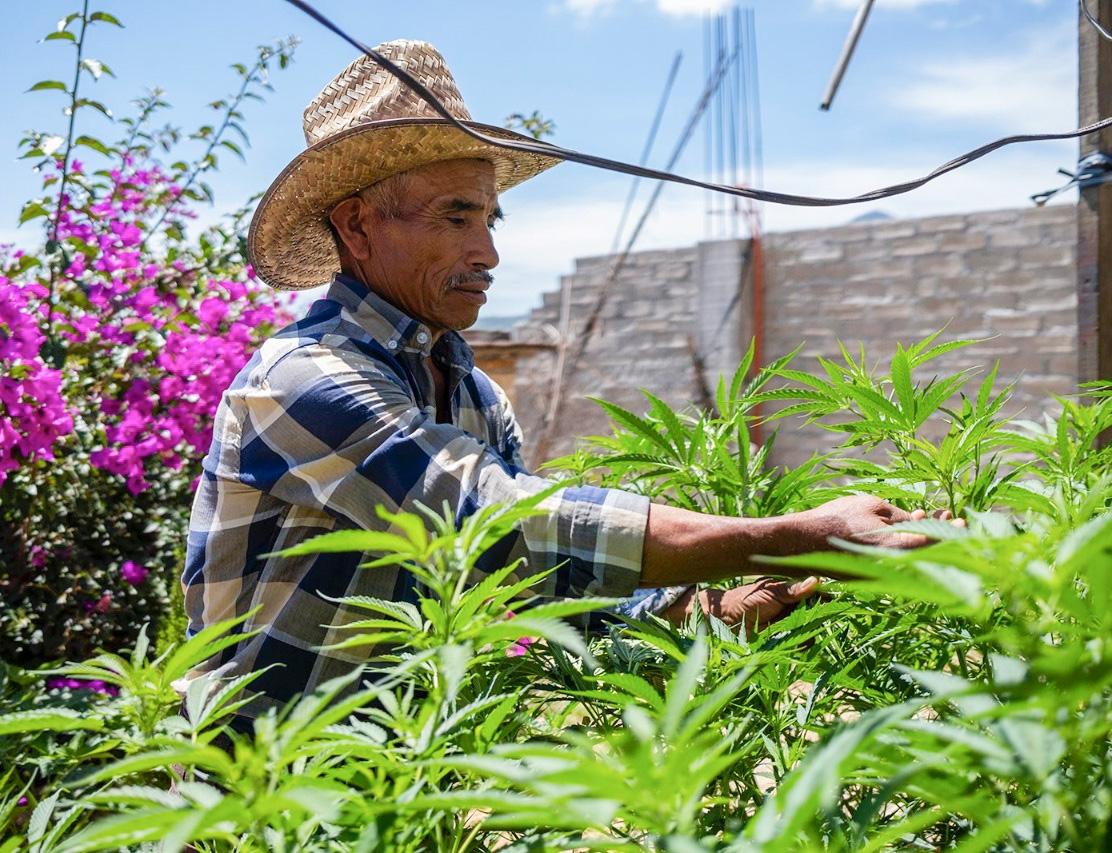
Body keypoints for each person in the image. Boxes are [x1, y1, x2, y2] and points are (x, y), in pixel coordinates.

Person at [180, 40, 944, 721]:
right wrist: (789, 539)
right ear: (356, 227)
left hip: (398, 797)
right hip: (259, 805)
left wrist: (713, 604)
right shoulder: (302, 379)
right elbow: (502, 522)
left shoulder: (475, 397)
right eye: (454, 218)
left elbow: (536, 584)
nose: (487, 251)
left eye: (490, 219)